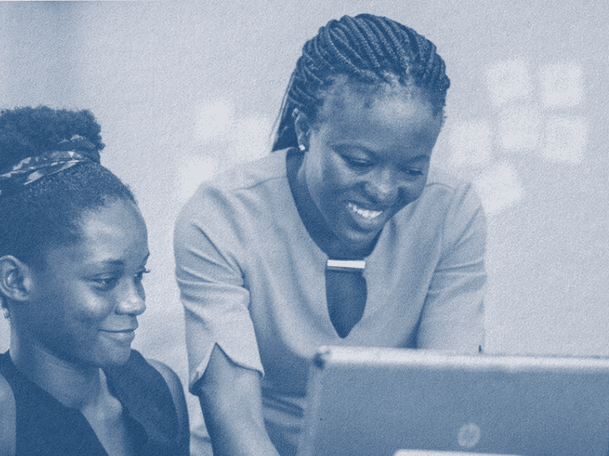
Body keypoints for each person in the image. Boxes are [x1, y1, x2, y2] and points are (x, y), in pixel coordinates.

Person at [174, 13, 486, 456]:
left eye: (412, 169)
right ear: (305, 130)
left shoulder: (452, 210)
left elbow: (448, 398)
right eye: (358, 161)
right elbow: (235, 418)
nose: (382, 189)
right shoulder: (221, 216)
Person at [0, 106, 189, 456]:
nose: (136, 302)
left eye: (139, 274)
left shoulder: (159, 389)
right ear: (16, 280)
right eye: (105, 280)